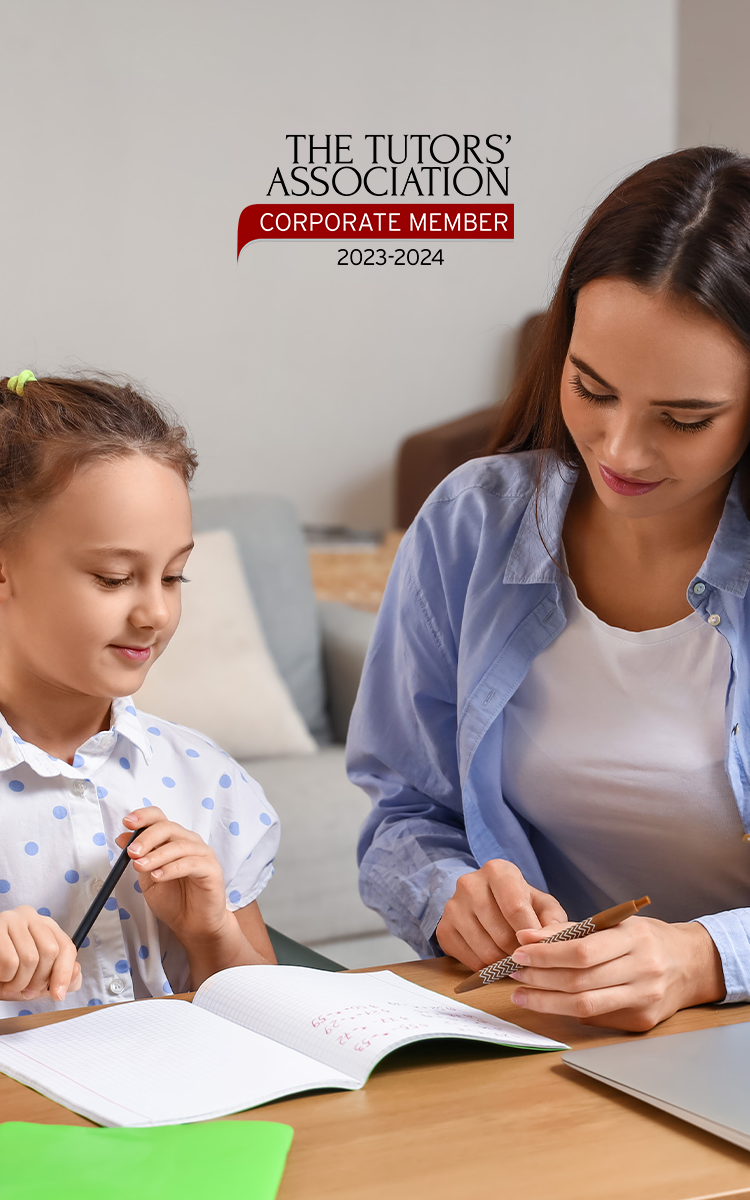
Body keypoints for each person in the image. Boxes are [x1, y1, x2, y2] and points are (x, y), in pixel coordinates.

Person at [349, 145, 750, 1032]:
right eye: (592, 388)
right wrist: (448, 894)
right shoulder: (472, 524)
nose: (620, 451)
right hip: (556, 1041)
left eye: (685, 419)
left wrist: (704, 957)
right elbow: (404, 811)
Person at [0, 372, 279, 1017]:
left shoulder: (204, 779)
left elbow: (271, 1015)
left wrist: (210, 932)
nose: (154, 611)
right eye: (113, 577)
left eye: (174, 575)